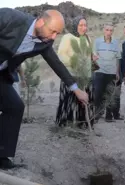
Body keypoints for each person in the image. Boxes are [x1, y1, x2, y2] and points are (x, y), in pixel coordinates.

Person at [0, 8, 88, 169]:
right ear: (41, 22)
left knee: (15, 107)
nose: (54, 37)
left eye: (57, 33)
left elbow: (57, 64)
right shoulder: (9, 17)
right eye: (52, 31)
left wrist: (76, 89)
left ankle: (2, 156)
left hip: (2, 75)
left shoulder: (45, 41)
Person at [56, 16, 96, 128]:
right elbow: (61, 55)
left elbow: (89, 54)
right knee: (67, 102)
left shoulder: (87, 38)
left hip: (86, 75)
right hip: (71, 75)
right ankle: (64, 126)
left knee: (84, 102)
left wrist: (93, 57)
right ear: (75, 26)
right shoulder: (68, 37)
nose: (84, 28)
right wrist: (74, 63)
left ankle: (83, 125)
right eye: (81, 25)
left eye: (85, 25)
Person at [93, 24, 121, 122]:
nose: (109, 32)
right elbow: (94, 56)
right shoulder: (97, 42)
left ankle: (109, 116)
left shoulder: (116, 43)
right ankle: (96, 115)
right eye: (107, 30)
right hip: (100, 72)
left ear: (112, 31)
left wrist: (117, 72)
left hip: (111, 72)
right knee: (98, 94)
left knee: (109, 94)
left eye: (111, 30)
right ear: (103, 30)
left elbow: (118, 59)